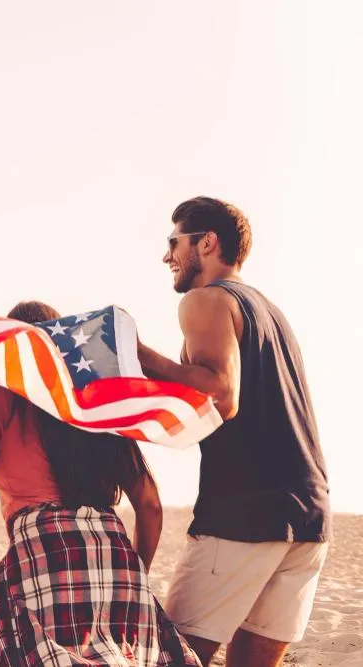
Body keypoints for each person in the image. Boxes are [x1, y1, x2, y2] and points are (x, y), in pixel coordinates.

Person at [0, 301, 200, 667]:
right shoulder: (95, 398)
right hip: (114, 553)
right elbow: (150, 504)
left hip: (45, 552)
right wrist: (133, 575)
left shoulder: (3, 398)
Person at [136, 196, 330, 667]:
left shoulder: (206, 300)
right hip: (309, 516)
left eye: (173, 242)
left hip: (245, 512)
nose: (167, 257)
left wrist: (134, 352)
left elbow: (223, 394)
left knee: (174, 656)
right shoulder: (270, 312)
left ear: (207, 242)